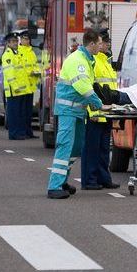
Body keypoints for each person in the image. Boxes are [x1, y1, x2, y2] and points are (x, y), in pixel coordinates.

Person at [47, 29, 106, 199]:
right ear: (92, 44)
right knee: (65, 145)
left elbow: (89, 85)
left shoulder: (88, 60)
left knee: (76, 147)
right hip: (68, 111)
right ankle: (54, 186)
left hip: (77, 111)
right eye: (99, 43)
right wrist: (98, 103)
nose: (101, 46)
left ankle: (63, 180)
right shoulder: (78, 60)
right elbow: (82, 86)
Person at [81, 30, 120, 190]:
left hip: (107, 112)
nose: (107, 44)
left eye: (107, 42)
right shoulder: (94, 61)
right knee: (91, 149)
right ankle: (89, 180)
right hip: (96, 113)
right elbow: (89, 89)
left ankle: (104, 178)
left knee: (104, 149)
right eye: (104, 42)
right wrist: (93, 112)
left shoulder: (106, 61)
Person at [1, 32, 32, 140]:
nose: (15, 43)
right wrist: (15, 87)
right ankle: (14, 133)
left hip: (21, 89)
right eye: (13, 41)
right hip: (14, 90)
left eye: (16, 41)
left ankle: (20, 132)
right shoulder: (7, 55)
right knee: (14, 113)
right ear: (8, 43)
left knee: (20, 113)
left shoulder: (17, 54)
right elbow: (10, 74)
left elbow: (22, 72)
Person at [18, 30, 40, 139]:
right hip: (22, 86)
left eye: (28, 39)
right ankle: (22, 131)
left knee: (28, 112)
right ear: (21, 40)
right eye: (25, 39)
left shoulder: (31, 52)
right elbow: (19, 68)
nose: (27, 41)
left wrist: (36, 71)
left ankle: (28, 131)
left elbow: (34, 65)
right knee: (21, 111)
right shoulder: (18, 51)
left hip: (30, 86)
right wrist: (29, 72)